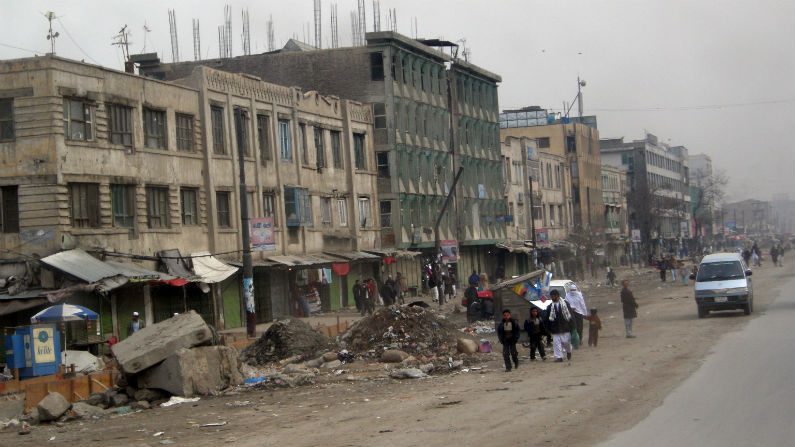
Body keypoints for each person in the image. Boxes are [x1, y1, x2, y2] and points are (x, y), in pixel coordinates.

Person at [542, 289, 573, 363]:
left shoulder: (565, 304)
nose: (552, 298)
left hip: (565, 327)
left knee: (566, 343)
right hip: (555, 329)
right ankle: (559, 357)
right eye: (551, 296)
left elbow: (571, 315)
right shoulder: (550, 307)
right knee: (556, 343)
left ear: (558, 296)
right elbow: (547, 319)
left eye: (554, 296)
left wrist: (573, 326)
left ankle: (568, 352)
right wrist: (547, 329)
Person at [565, 284, 588, 349]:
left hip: (579, 313)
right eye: (571, 290)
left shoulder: (579, 295)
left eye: (574, 290)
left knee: (580, 327)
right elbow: (566, 304)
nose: (573, 291)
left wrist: (585, 313)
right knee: (573, 327)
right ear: (570, 290)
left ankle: (580, 339)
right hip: (571, 313)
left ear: (576, 290)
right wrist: (571, 308)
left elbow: (583, 304)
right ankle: (573, 340)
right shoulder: (567, 296)